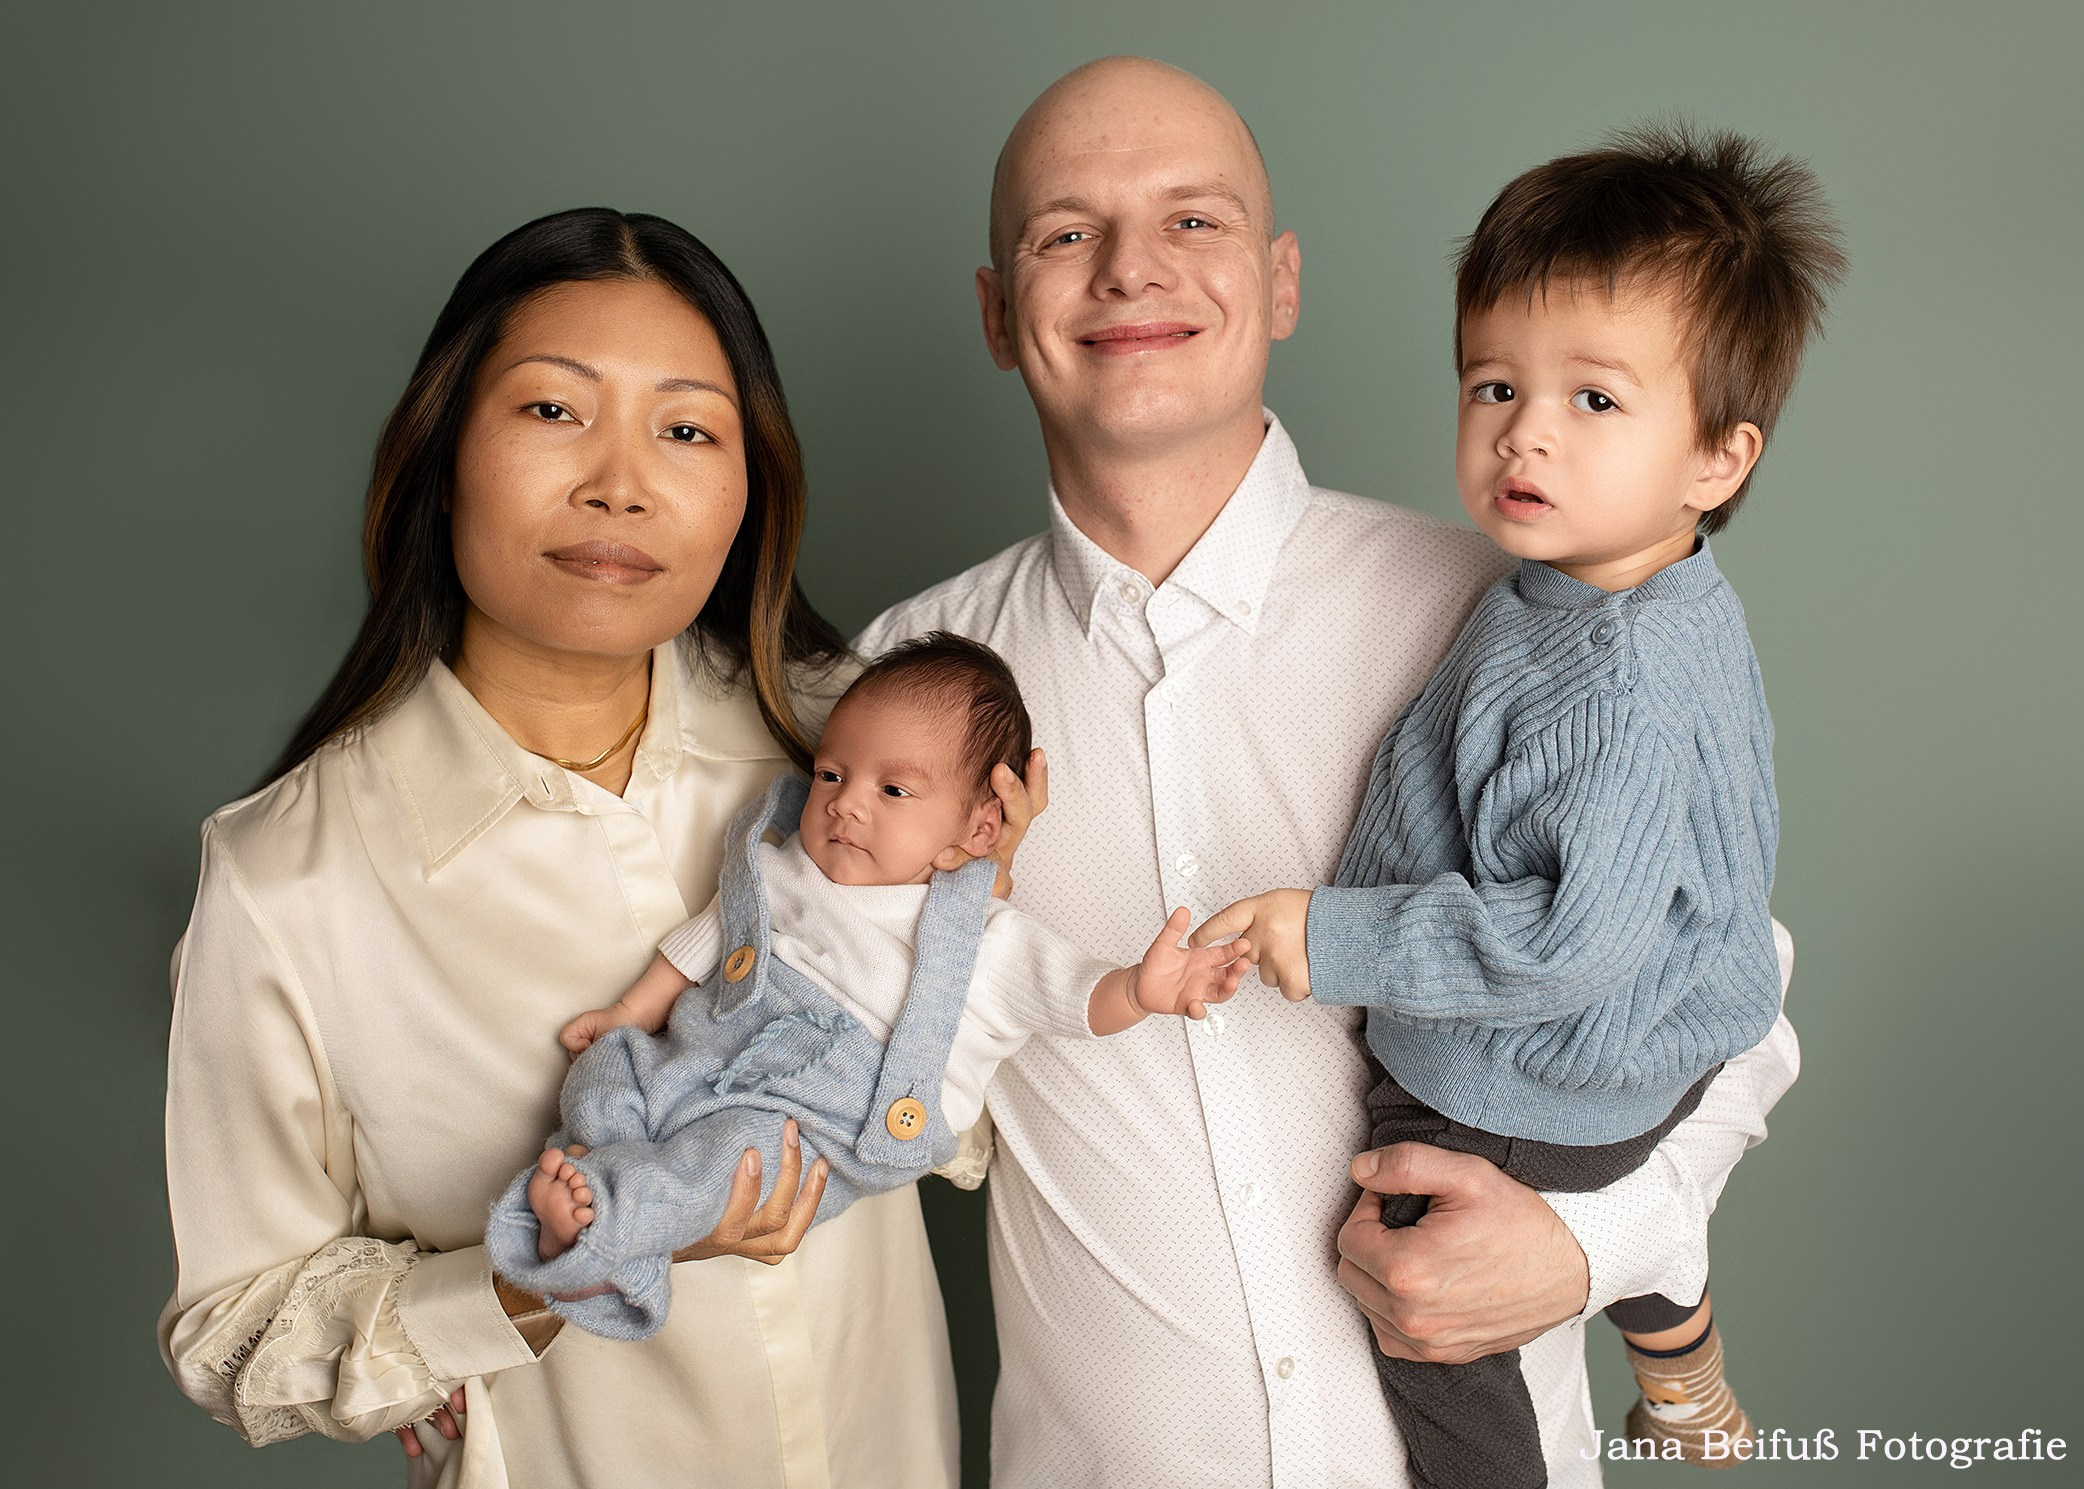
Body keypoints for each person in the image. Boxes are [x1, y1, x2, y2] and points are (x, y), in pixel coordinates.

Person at [855, 57, 1802, 1487]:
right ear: (999, 312)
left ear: (1282, 283)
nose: (1130, 270)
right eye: (1064, 233)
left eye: (1196, 221)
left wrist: (1588, 1246)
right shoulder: (896, 693)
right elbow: (852, 1048)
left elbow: (1726, 987)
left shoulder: (1512, 612)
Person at [160, 208, 971, 1488]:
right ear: (440, 452)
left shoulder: (845, 745)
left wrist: (981, 891)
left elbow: (995, 1087)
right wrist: (533, 1278)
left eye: (687, 429)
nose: (620, 482)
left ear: (747, 489)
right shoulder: (285, 876)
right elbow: (239, 1328)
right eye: (552, 411)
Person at [1195, 125, 1846, 1485]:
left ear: (1718, 460)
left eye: (1595, 401)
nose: (1524, 431)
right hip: (1666, 1048)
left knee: (1423, 1310)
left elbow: (1565, 946)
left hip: (1525, 1085)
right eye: (1495, 383)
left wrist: (1338, 939)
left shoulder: (1610, 676)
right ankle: (1680, 1355)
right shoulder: (1621, 597)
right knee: (1629, 1202)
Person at [484, 634, 1246, 1339]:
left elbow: (1073, 995)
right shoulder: (789, 867)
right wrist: (630, 1011)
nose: (845, 801)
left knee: (724, 1165)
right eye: (832, 774)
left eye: (893, 791)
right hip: (707, 1045)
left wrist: (1139, 990)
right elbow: (712, 932)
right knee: (610, 1066)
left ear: (979, 830)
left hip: (820, 1117)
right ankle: (591, 1184)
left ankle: (591, 1233)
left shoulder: (983, 938)